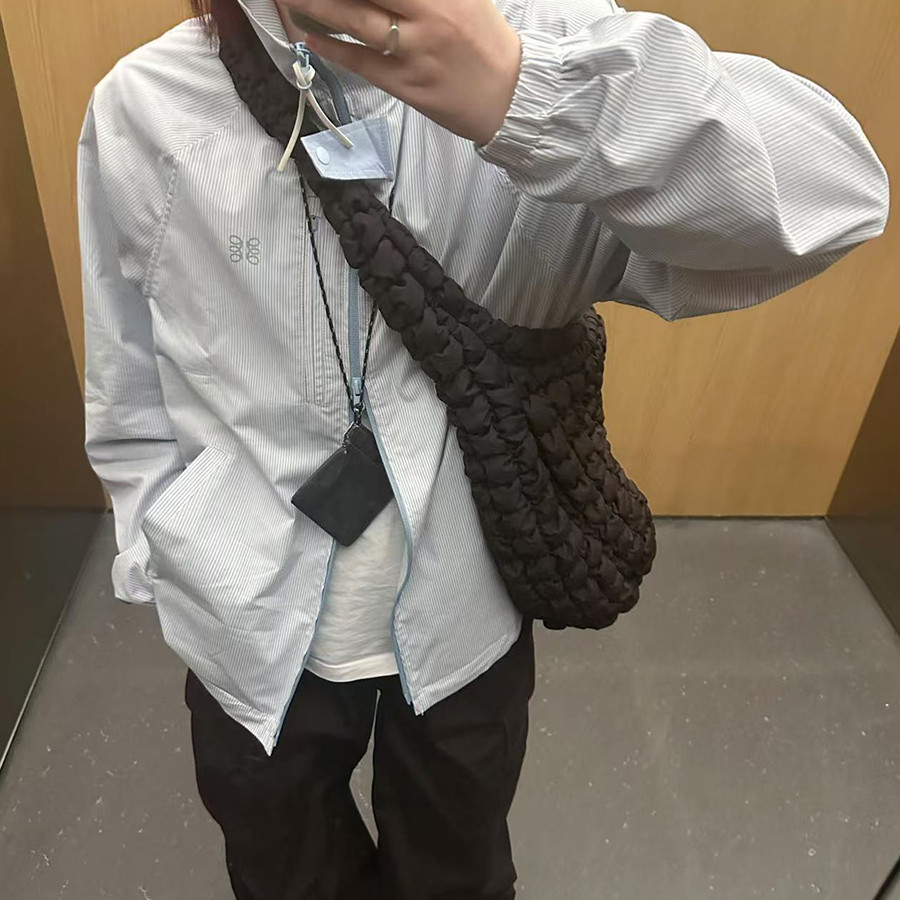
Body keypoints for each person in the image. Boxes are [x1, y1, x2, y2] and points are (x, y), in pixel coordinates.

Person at [76, 0, 889, 897]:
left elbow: (837, 195)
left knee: (456, 867)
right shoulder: (148, 105)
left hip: (467, 606)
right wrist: (165, 555)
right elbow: (128, 374)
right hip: (245, 619)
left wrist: (523, 91)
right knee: (283, 869)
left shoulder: (550, 41)